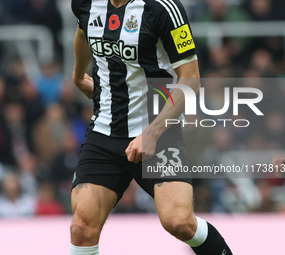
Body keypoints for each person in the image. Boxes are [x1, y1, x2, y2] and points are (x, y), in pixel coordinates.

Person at [70, 0, 233, 254]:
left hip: (159, 131)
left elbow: (191, 81)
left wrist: (152, 133)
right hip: (104, 131)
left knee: (180, 223)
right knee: (81, 229)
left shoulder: (163, 8)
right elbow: (83, 31)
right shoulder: (86, 3)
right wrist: (78, 73)